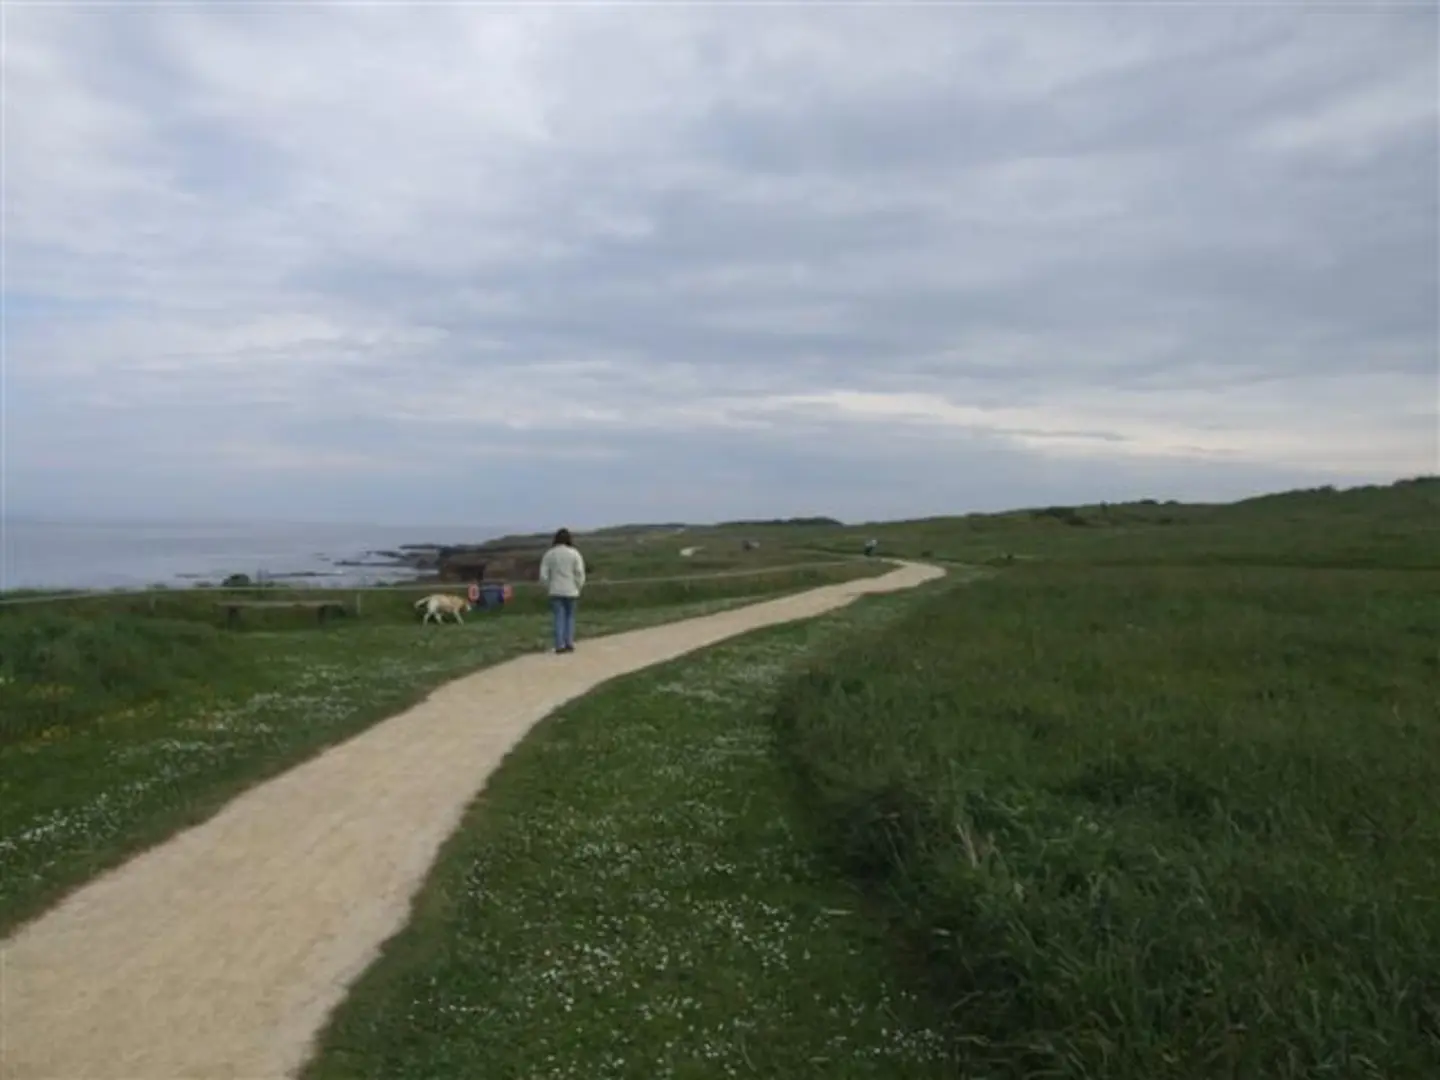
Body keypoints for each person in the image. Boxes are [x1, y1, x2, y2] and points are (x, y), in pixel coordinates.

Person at [538, 527, 586, 653]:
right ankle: (569, 642)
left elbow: (543, 575)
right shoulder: (574, 553)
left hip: (555, 590)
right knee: (570, 617)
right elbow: (579, 573)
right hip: (571, 590)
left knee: (559, 617)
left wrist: (548, 586)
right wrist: (578, 586)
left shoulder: (549, 554)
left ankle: (559, 645)